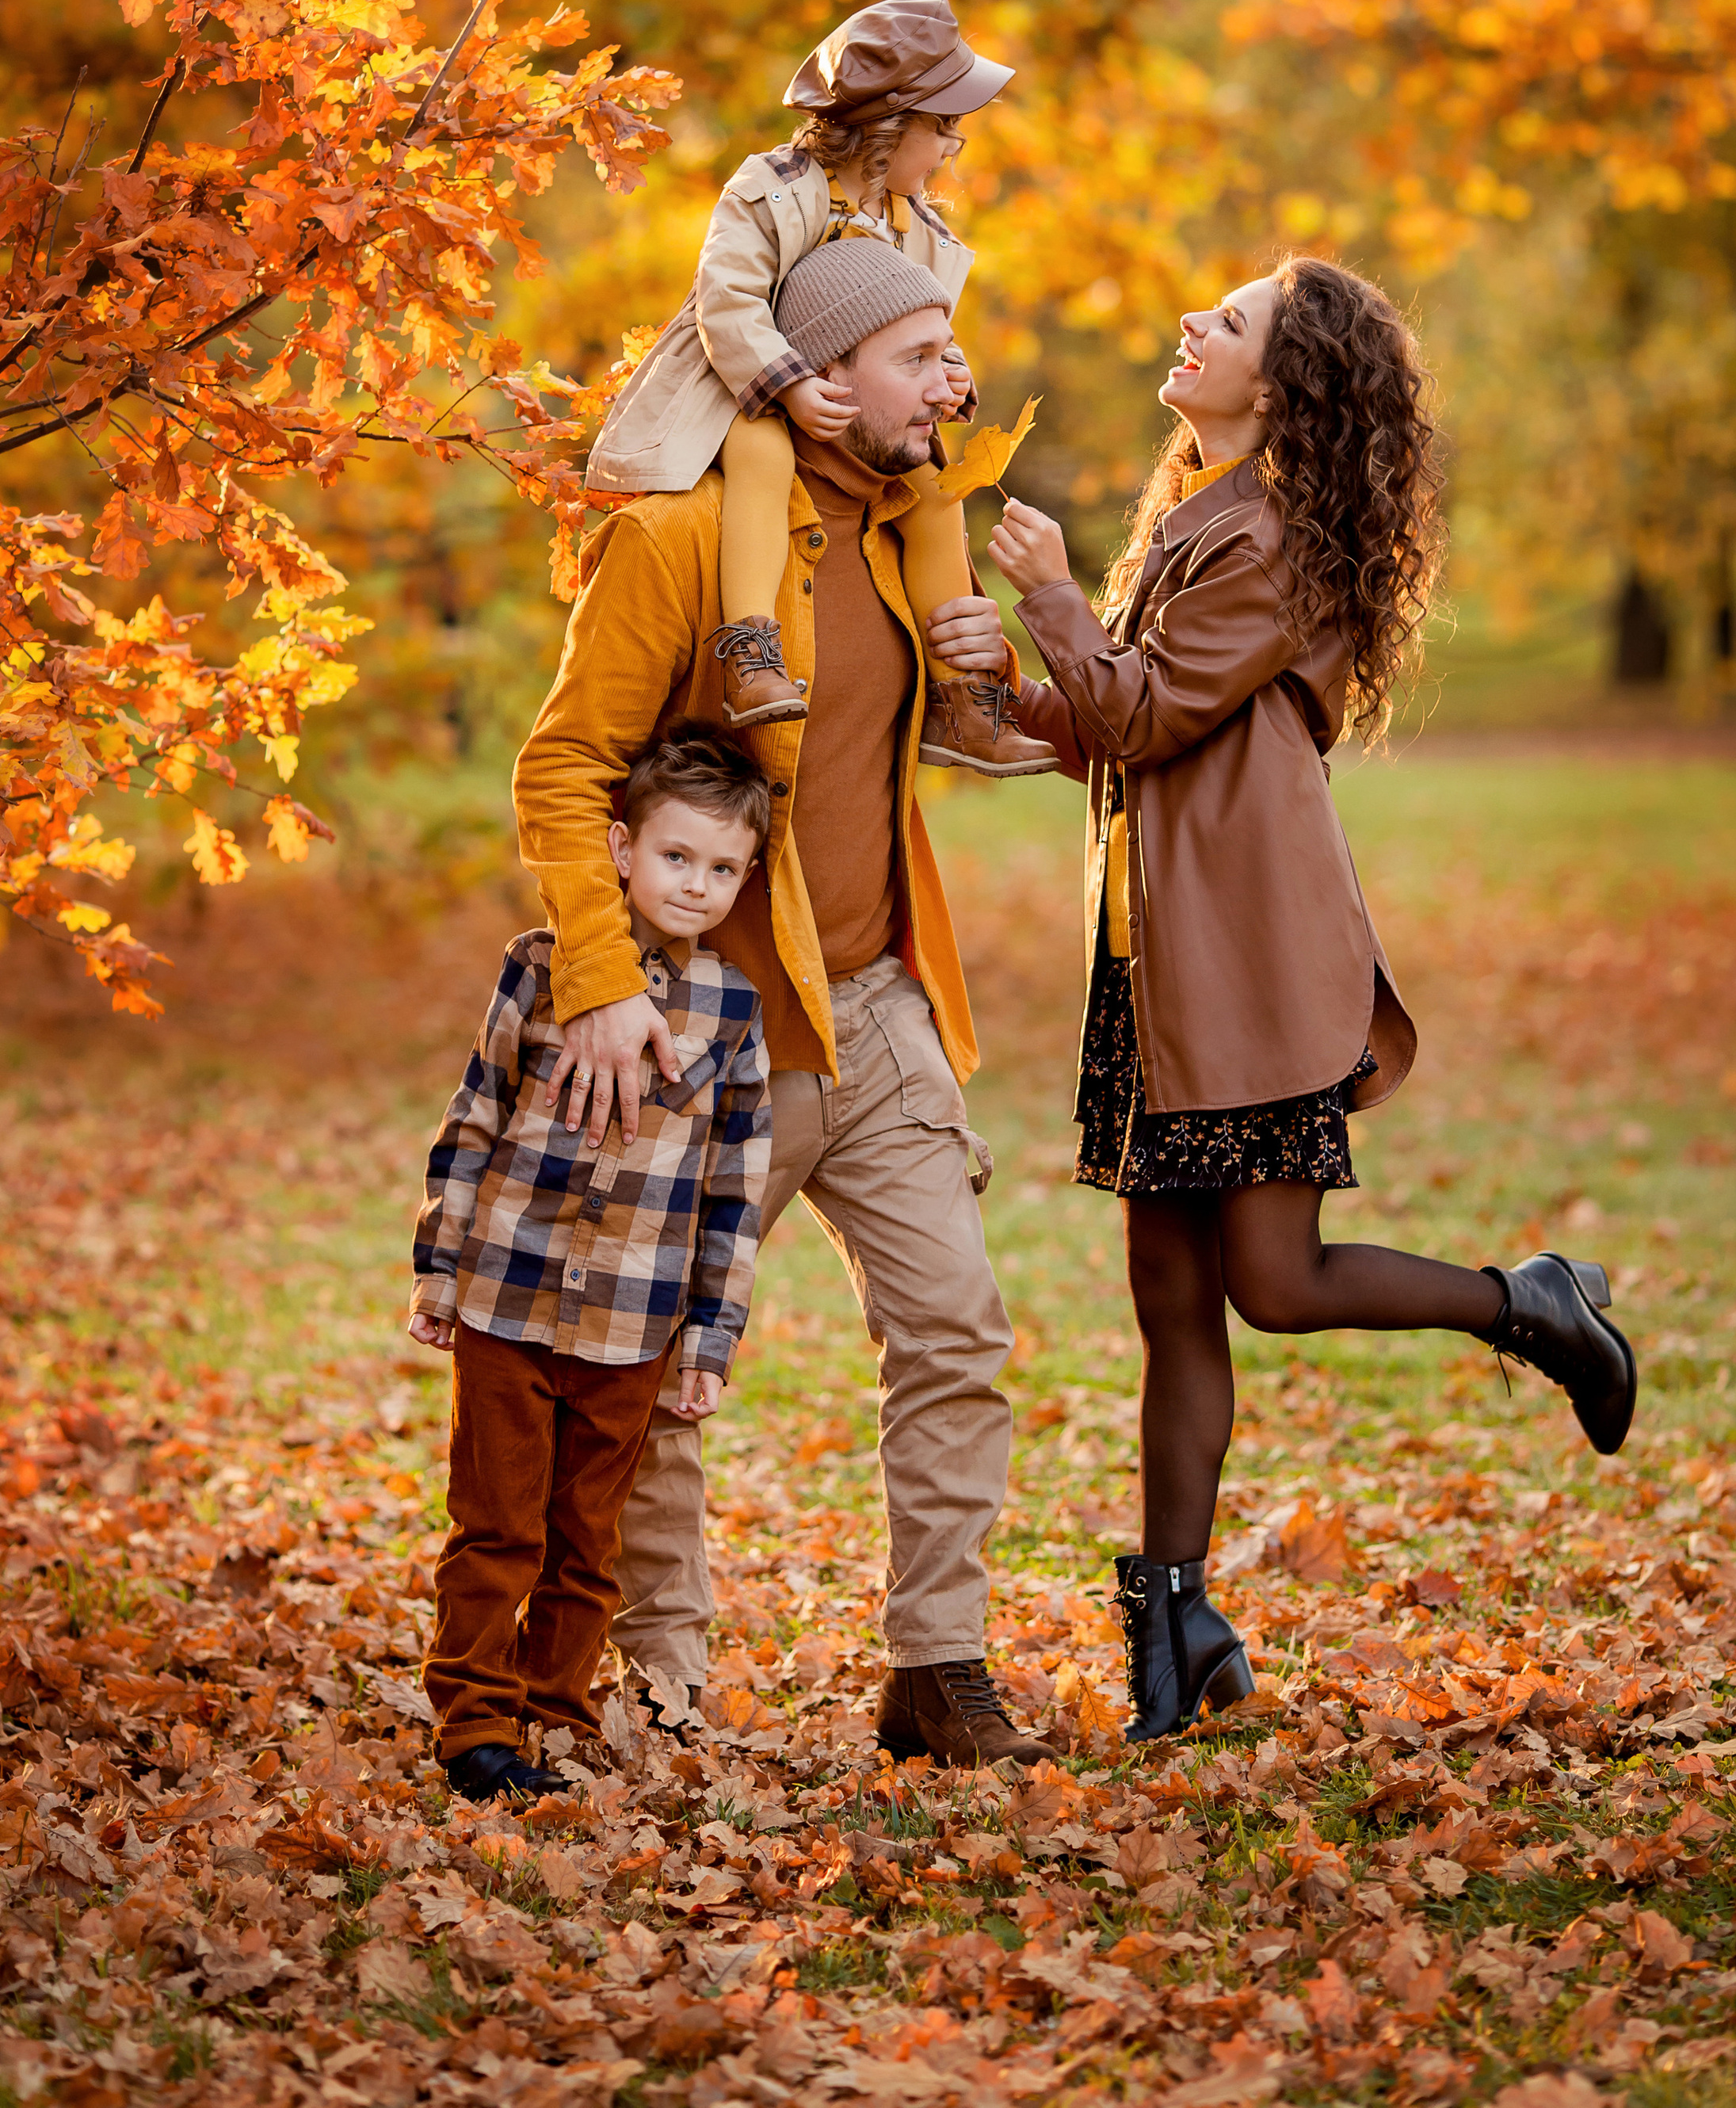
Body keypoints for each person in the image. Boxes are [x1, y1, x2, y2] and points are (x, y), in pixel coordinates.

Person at [986, 254, 1639, 1743]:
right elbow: (1130, 725)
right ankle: (1176, 1616)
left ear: (1278, 389)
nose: (1189, 325)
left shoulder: (1269, 540)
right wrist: (1001, 690)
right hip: (1164, 960)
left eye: (1223, 323)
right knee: (1171, 1302)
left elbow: (1141, 710)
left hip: (1250, 963)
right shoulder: (1197, 523)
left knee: (1272, 1283)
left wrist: (1042, 600)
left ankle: (1526, 1305)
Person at [516, 233, 1054, 1768]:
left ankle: (936, 1669)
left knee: (955, 1330)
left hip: (876, 1007)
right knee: (659, 1373)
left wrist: (998, 670)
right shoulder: (682, 546)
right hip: (697, 1030)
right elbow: (559, 769)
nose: (947, 380)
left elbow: (952, 747)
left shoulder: (908, 536)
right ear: (821, 382)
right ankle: (665, 1683)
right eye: (914, 353)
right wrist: (603, 987)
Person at [407, 727, 773, 1805]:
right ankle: (474, 1723)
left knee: (584, 1541)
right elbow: (473, 1119)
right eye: (676, 859)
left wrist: (710, 1340)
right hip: (508, 1296)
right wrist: (438, 1269)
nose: (698, 885)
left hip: (634, 1322)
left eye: (722, 869)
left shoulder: (736, 1013)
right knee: (495, 1524)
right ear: (619, 848)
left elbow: (733, 1195)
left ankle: (551, 1720)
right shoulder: (539, 965)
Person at [586, 0, 1054, 778]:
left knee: (937, 490)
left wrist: (945, 373)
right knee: (763, 461)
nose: (954, 147)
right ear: (890, 124)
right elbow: (728, 301)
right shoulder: (772, 188)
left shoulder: (918, 225)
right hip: (747, 385)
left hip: (851, 405)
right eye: (942, 128)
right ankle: (752, 650)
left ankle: (961, 698)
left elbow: (920, 323)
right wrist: (790, 384)